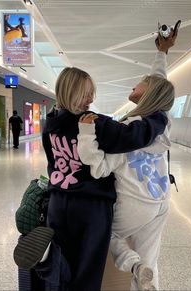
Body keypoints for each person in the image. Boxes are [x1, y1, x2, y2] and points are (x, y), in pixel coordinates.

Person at [13, 33, 176, 291]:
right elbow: (134, 135)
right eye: (88, 94)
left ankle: (48, 261)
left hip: (58, 201)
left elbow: (51, 160)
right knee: (88, 270)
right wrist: (160, 117)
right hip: (91, 208)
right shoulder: (94, 122)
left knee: (62, 254)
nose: (91, 100)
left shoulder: (50, 124)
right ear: (75, 92)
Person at [77, 33, 176, 291]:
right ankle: (146, 280)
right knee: (150, 260)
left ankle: (132, 263)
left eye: (141, 82)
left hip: (135, 204)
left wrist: (86, 134)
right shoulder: (161, 125)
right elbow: (160, 83)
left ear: (149, 93)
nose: (136, 83)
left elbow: (98, 169)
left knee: (108, 233)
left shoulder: (124, 133)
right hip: (162, 198)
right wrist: (162, 53)